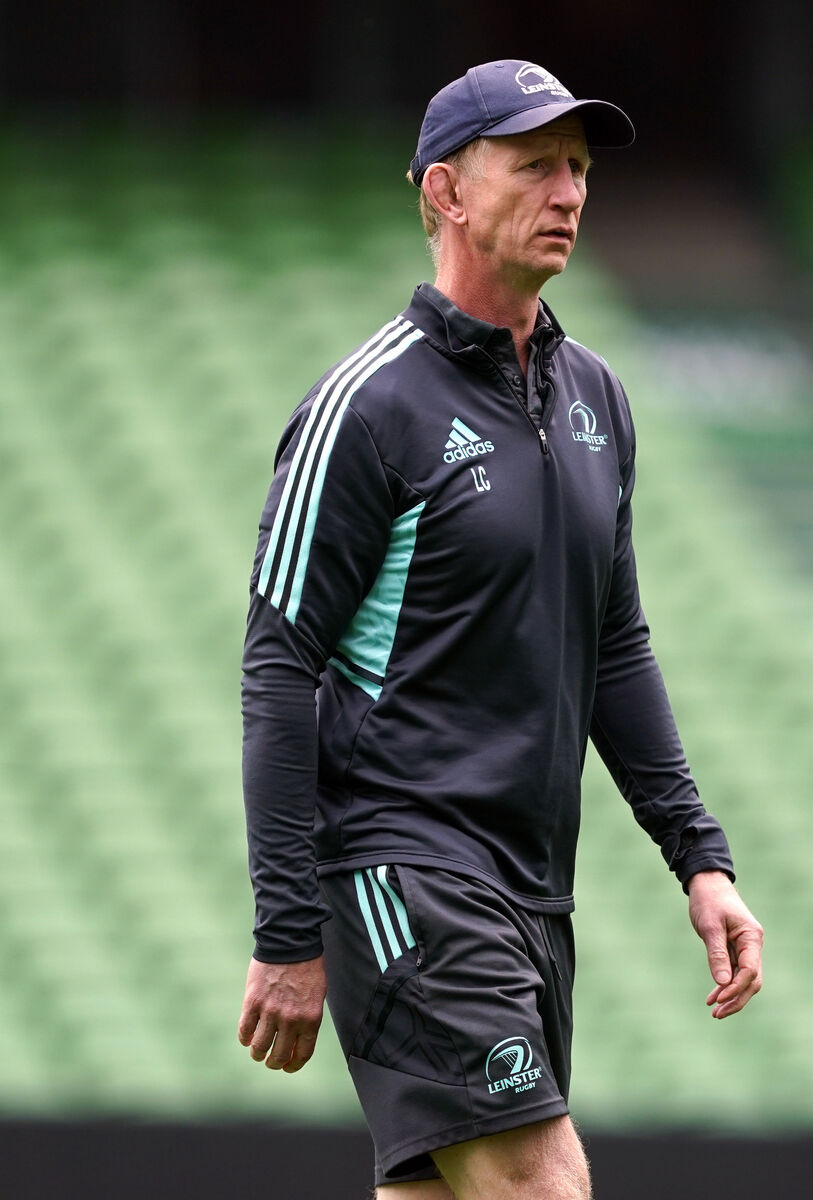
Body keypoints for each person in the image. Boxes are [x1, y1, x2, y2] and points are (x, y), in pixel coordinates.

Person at [237, 59, 763, 1200]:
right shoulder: (368, 406)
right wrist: (287, 931)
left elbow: (614, 645)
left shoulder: (598, 399)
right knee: (538, 1181)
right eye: (534, 166)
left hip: (533, 891)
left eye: (578, 167)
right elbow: (278, 667)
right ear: (447, 192)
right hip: (404, 866)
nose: (569, 191)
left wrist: (700, 858)